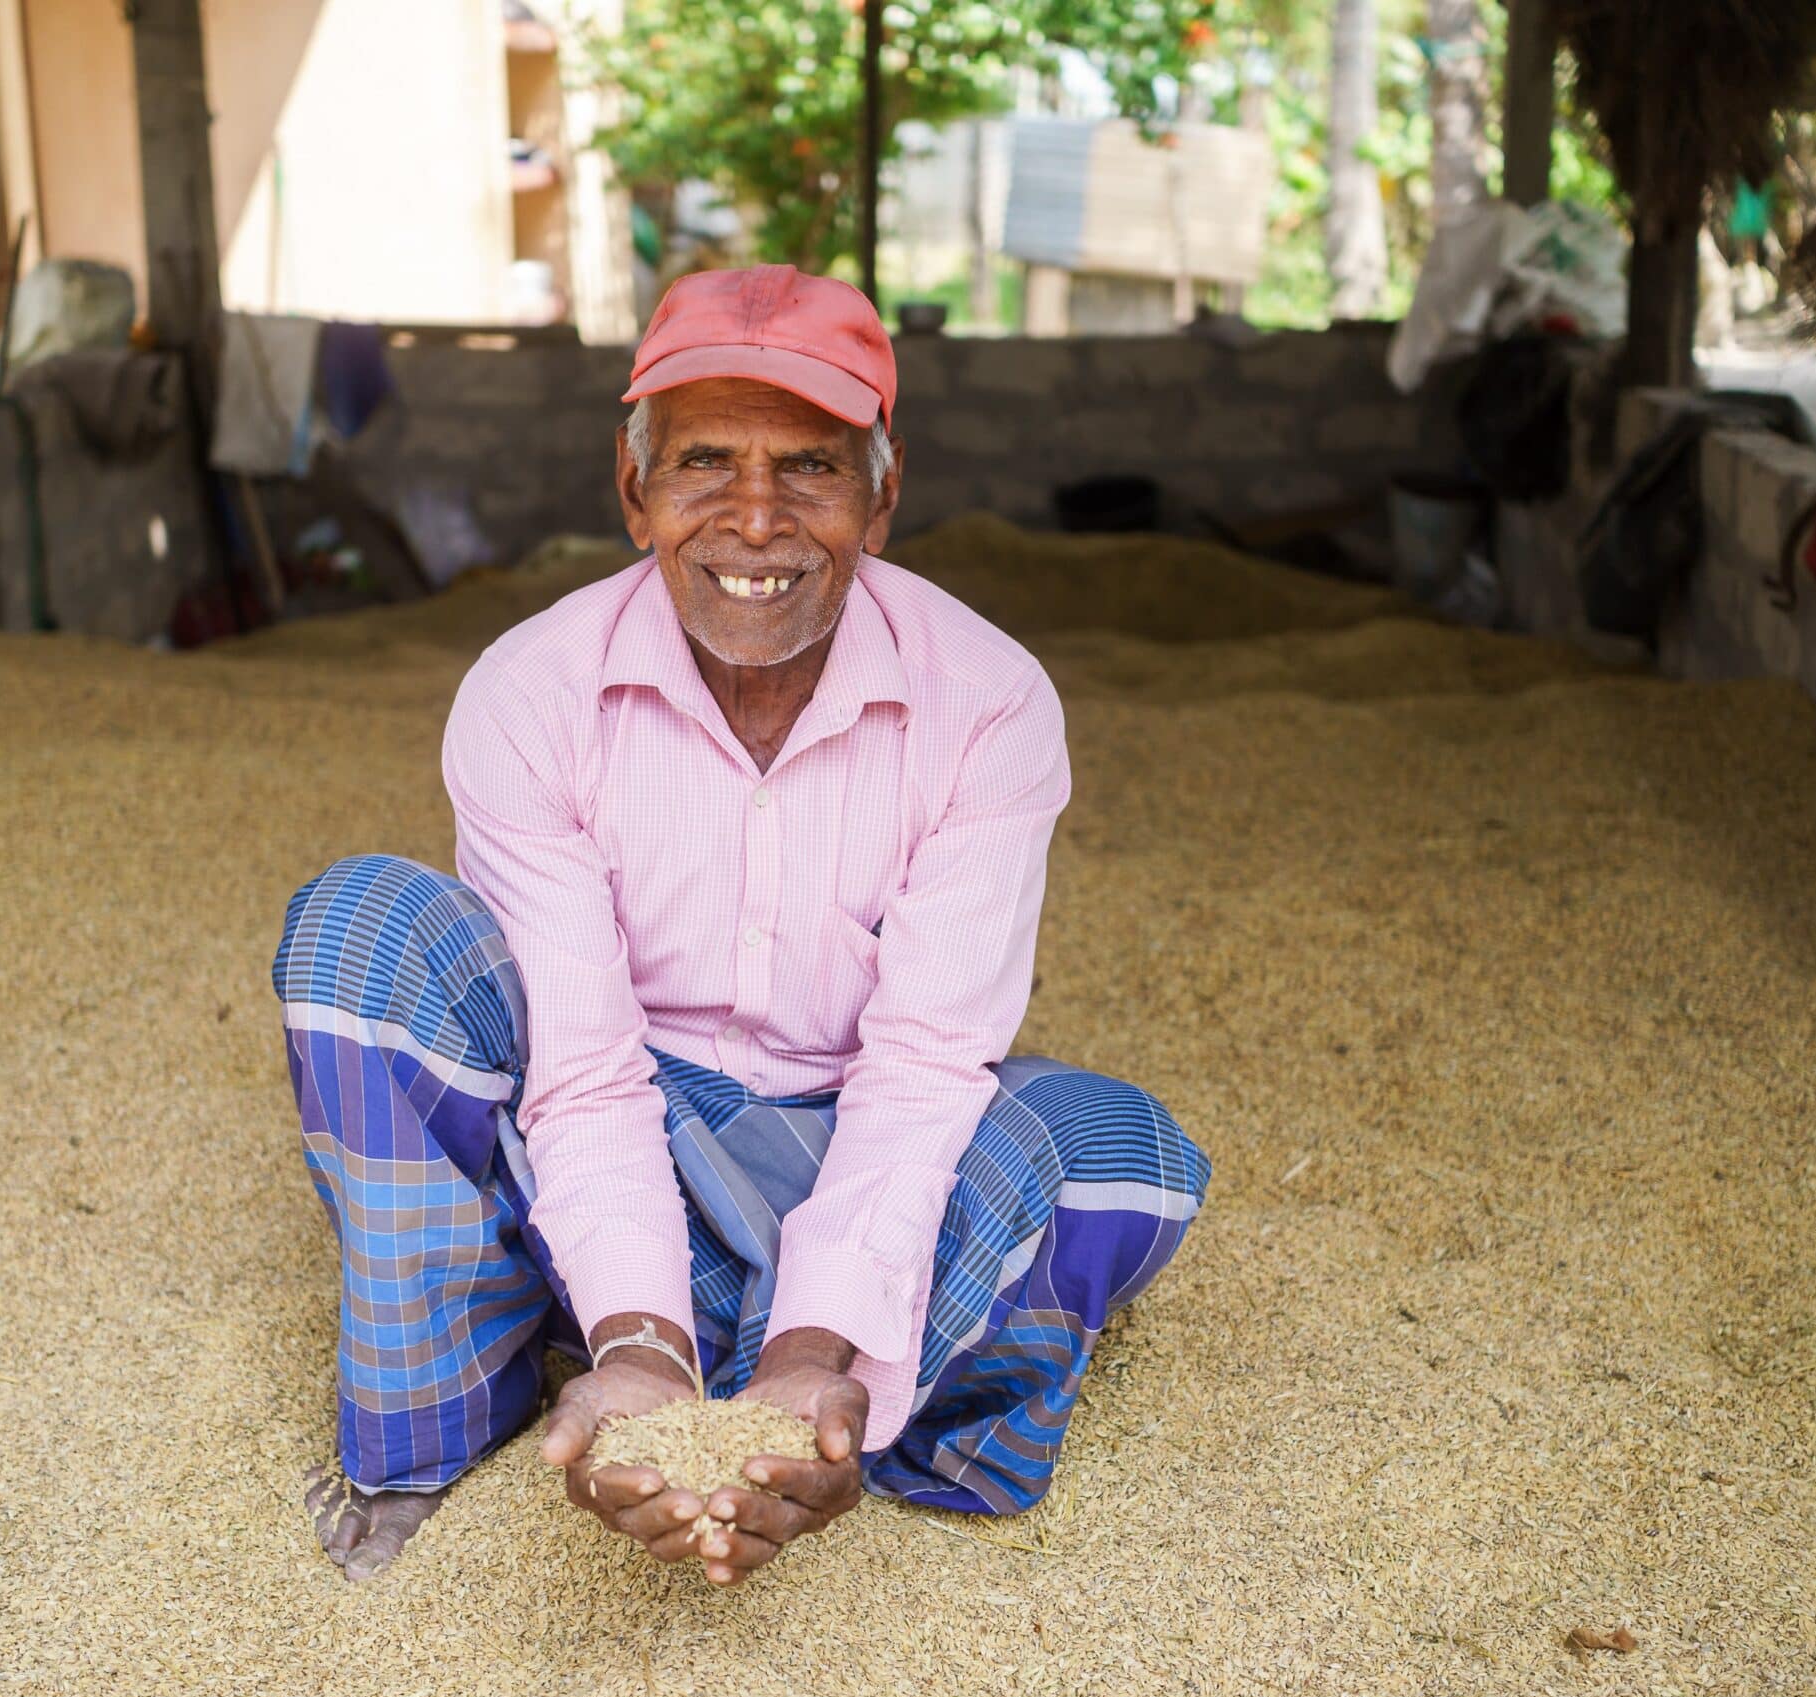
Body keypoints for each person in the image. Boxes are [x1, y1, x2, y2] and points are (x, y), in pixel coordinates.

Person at [275, 265, 1210, 1585]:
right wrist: (645, 1352)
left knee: (1121, 1153)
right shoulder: (531, 693)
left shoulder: (990, 701)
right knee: (363, 932)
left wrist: (807, 1355)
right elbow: (587, 1070)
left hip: (838, 1143)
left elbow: (925, 1069)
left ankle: (813, 1405)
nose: (756, 519)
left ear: (882, 495)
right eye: (706, 460)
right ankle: (468, 1408)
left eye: (812, 468)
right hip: (601, 1145)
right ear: (633, 488)